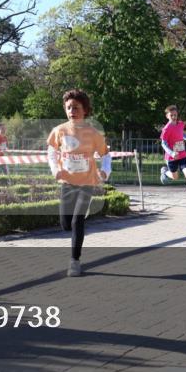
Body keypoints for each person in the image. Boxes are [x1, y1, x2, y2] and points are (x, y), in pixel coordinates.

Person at [47, 89, 112, 278]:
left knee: (77, 221)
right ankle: (75, 230)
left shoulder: (92, 133)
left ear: (85, 110)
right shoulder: (59, 131)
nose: (71, 111)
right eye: (68, 108)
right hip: (67, 182)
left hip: (87, 182)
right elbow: (51, 152)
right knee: (65, 224)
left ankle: (74, 261)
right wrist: (55, 170)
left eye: (76, 107)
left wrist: (104, 171)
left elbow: (105, 155)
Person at [158, 105, 186, 207]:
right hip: (171, 157)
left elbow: (182, 134)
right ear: (167, 116)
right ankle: (165, 172)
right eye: (171, 115)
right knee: (175, 177)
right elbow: (163, 143)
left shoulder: (180, 124)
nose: (174, 117)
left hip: (182, 155)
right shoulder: (166, 129)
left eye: (175, 115)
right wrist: (172, 153)